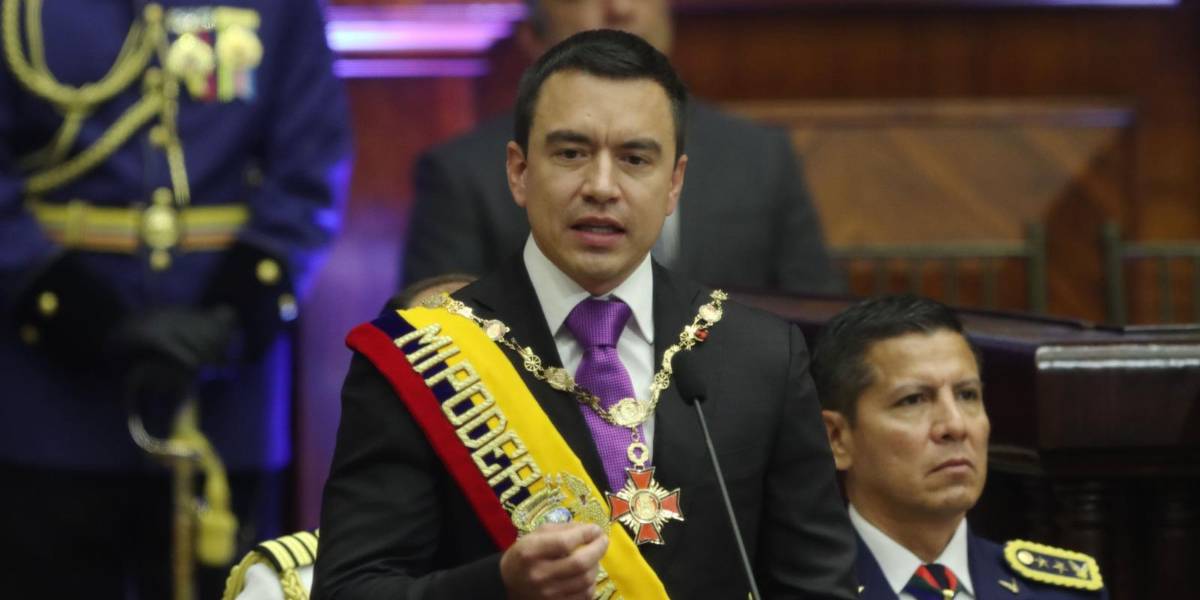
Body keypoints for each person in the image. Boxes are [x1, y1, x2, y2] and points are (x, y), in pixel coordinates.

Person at [316, 30, 855, 599]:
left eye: (635, 159)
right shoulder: (426, 358)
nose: (601, 187)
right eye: (571, 154)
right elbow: (351, 590)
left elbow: (818, 588)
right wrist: (501, 586)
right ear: (519, 171)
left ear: (674, 184)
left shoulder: (761, 356)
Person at [0, 0, 351, 598]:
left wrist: (235, 314)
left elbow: (310, 168)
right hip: (51, 391)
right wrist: (73, 311)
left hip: (225, 386)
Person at [402, 0, 840, 296]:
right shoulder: (461, 172)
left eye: (635, 158)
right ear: (532, 34)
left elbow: (814, 319)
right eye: (571, 154)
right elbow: (434, 338)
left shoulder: (760, 155)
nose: (622, 8)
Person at [811, 295, 1108, 599]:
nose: (955, 425)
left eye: (967, 395)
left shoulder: (1060, 594)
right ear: (836, 438)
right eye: (913, 400)